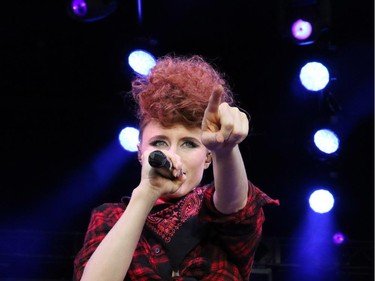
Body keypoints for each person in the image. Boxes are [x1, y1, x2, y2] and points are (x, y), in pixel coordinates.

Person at [73, 55, 279, 281]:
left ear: (208, 157)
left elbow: (234, 205)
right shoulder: (111, 217)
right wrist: (145, 195)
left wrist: (226, 149)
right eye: (159, 143)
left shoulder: (214, 209)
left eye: (189, 144)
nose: (172, 154)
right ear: (141, 153)